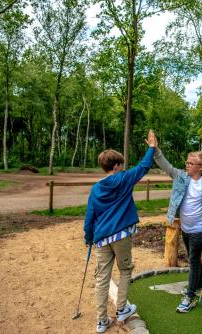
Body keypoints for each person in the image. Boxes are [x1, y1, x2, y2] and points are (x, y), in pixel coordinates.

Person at [84, 130, 157, 333]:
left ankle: (101, 321)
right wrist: (151, 147)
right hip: (121, 235)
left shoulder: (96, 188)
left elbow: (90, 215)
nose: (123, 167)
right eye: (121, 164)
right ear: (116, 166)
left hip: (100, 238)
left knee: (102, 277)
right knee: (125, 270)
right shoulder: (123, 179)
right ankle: (122, 309)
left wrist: (88, 238)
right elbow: (143, 166)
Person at [153, 140, 202, 313]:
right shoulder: (181, 177)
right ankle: (199, 287)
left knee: (193, 260)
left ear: (200, 167)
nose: (187, 165)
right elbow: (166, 166)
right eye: (187, 162)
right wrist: (156, 150)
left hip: (200, 229)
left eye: (191, 163)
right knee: (195, 258)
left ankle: (189, 296)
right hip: (186, 228)